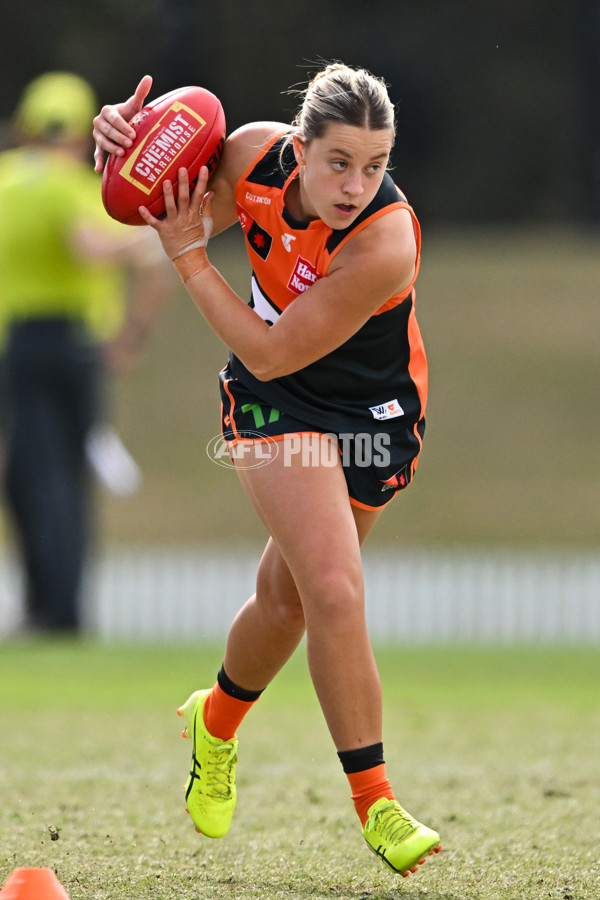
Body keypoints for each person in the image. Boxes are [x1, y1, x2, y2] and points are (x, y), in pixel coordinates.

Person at [93, 63, 441, 876]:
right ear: (298, 146)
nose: (356, 184)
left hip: (372, 413)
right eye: (338, 162)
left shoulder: (387, 240)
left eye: (374, 164)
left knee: (285, 603)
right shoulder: (250, 156)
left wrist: (188, 261)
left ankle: (213, 720)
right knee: (333, 587)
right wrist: (121, 154)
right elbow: (162, 220)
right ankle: (378, 803)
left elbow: (276, 340)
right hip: (272, 401)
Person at [0, 72, 170, 634]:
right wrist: (132, 333)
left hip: (18, 345)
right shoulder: (74, 184)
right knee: (65, 479)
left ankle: (39, 604)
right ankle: (64, 612)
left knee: (25, 475)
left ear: (25, 126)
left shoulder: (6, 180)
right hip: (75, 344)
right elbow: (95, 248)